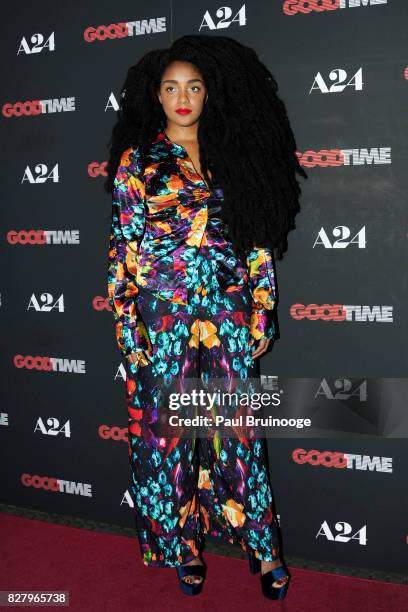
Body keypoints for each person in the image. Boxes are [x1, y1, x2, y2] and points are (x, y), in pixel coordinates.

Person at [105, 34, 307, 600]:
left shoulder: (233, 157)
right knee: (169, 440)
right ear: (157, 96)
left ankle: (263, 548)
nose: (183, 97)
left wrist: (262, 311)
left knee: (236, 436)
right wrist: (128, 326)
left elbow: (258, 242)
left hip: (226, 312)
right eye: (171, 88)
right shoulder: (138, 161)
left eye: (194, 86)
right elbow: (122, 248)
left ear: (210, 92)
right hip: (161, 316)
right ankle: (185, 544)